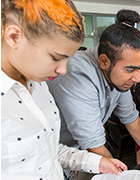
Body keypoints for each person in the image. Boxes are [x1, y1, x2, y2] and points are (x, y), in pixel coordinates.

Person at [1, 0, 127, 179]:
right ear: (14, 37)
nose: (63, 70)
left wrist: (95, 162)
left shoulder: (40, 86)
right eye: (55, 58)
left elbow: (48, 151)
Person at [46, 9, 140, 171]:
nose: (137, 79)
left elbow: (130, 117)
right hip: (53, 157)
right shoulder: (77, 76)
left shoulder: (118, 75)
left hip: (77, 152)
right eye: (130, 70)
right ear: (104, 61)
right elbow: (94, 144)